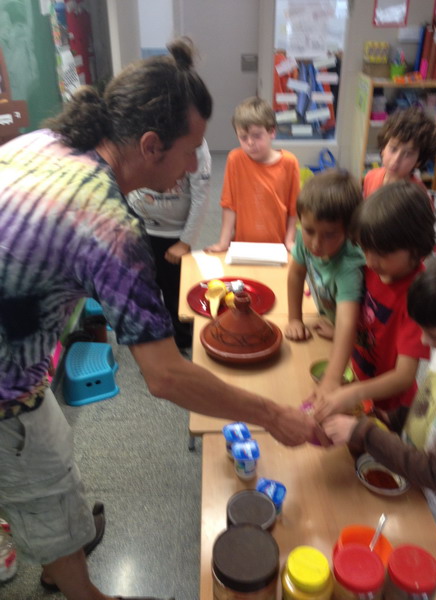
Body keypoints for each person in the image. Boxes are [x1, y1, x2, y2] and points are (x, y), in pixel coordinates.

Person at [0, 39, 319, 600]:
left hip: (19, 356)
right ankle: (77, 583)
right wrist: (272, 414)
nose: (197, 165)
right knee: (42, 477)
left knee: (52, 457)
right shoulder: (106, 224)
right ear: (150, 145)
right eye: (191, 151)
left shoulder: (44, 140)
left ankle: (57, 550)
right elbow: (166, 376)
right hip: (7, 392)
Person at [322, 251, 436, 550]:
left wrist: (364, 432)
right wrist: (390, 418)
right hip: (415, 482)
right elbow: (428, 407)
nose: (424, 342)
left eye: (434, 336)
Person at [314, 181, 435, 423]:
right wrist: (340, 330)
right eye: (365, 249)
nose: (369, 261)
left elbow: (403, 376)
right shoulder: (372, 268)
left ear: (417, 248)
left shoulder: (419, 298)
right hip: (357, 381)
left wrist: (355, 393)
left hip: (389, 408)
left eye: (380, 253)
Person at [285, 169, 365, 398]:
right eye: (309, 231)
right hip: (333, 323)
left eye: (329, 235)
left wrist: (331, 380)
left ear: (348, 232)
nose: (316, 243)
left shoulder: (349, 267)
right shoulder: (304, 239)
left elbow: (348, 322)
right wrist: (294, 319)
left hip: (359, 339)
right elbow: (296, 274)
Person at [127, 138, 211, 351]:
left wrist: (185, 242)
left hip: (174, 236)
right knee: (144, 289)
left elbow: (201, 197)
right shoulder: (132, 135)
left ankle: (182, 340)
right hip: (138, 229)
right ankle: (154, 339)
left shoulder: (195, 144)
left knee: (176, 293)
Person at [205, 96, 299, 252]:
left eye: (256, 136)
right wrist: (223, 242)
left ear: (272, 132)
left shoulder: (289, 162)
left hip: (277, 247)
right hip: (242, 246)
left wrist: (289, 241)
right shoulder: (235, 159)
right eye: (243, 137)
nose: (250, 142)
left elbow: (294, 209)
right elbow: (229, 205)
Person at [363, 106, 436, 198]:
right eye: (393, 149)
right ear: (383, 148)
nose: (396, 160)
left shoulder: (418, 196)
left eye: (408, 154)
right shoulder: (370, 178)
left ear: (418, 161)